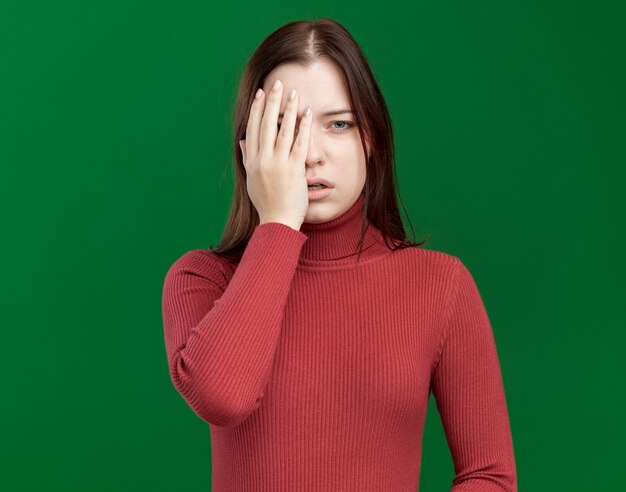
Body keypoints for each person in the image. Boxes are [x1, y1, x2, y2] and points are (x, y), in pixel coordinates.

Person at [161, 17, 517, 491]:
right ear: (250, 149)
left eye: (339, 124)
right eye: (286, 128)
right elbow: (223, 397)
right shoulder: (201, 280)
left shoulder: (441, 285)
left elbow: (489, 476)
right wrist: (278, 225)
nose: (311, 154)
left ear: (370, 137)